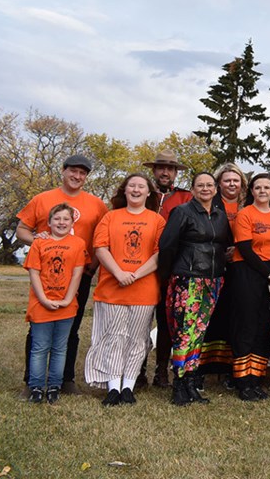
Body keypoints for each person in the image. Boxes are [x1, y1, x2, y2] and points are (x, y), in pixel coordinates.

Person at [16, 154, 108, 396]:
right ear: (64, 171)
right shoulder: (43, 199)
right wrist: (37, 238)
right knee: (38, 327)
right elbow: (21, 230)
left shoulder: (96, 204)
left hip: (79, 272)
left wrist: (94, 265)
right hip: (46, 275)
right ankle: (31, 381)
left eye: (83, 173)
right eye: (73, 171)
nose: (77, 177)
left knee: (72, 327)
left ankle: (65, 379)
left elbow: (102, 239)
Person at [84, 173, 166, 406]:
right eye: (132, 186)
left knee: (137, 339)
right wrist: (119, 273)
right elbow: (100, 247)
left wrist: (136, 275)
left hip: (144, 290)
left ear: (149, 192)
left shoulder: (157, 220)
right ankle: (112, 386)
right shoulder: (110, 217)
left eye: (142, 186)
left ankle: (128, 386)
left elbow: (160, 253)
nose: (137, 190)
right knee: (113, 337)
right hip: (112, 289)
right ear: (125, 190)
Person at [158, 172, 233, 406]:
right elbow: (167, 246)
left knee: (198, 333)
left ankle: (192, 382)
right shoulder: (182, 212)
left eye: (210, 185)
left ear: (215, 188)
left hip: (213, 281)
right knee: (184, 333)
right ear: (192, 189)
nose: (205, 189)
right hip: (187, 279)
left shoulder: (220, 216)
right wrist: (167, 277)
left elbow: (224, 244)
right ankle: (179, 384)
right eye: (200, 185)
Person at [230, 173, 270, 401]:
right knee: (247, 326)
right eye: (258, 187)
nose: (262, 191)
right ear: (252, 191)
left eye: (267, 187)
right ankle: (243, 382)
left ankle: (256, 379)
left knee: (265, 329)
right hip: (249, 272)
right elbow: (245, 249)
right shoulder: (245, 214)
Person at [23, 203, 88, 404]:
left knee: (60, 347)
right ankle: (35, 386)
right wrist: (43, 298)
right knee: (40, 347)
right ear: (49, 222)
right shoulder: (39, 243)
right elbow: (34, 271)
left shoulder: (78, 243)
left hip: (66, 305)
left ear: (72, 222)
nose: (61, 222)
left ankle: (54, 385)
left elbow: (78, 273)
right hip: (41, 303)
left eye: (66, 219)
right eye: (57, 219)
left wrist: (68, 299)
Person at [143, 149, 192, 389]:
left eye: (170, 168)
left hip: (170, 269)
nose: (165, 172)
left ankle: (161, 370)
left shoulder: (185, 198)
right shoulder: (142, 193)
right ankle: (136, 370)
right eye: (161, 168)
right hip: (139, 266)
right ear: (154, 170)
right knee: (139, 322)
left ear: (175, 173)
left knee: (165, 322)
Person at [196, 163, 247, 386]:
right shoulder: (210, 204)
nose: (231, 184)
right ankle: (202, 368)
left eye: (235, 180)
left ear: (242, 183)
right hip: (212, 265)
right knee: (209, 317)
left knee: (234, 318)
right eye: (227, 180)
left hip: (241, 268)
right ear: (219, 184)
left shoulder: (250, 204)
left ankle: (229, 370)